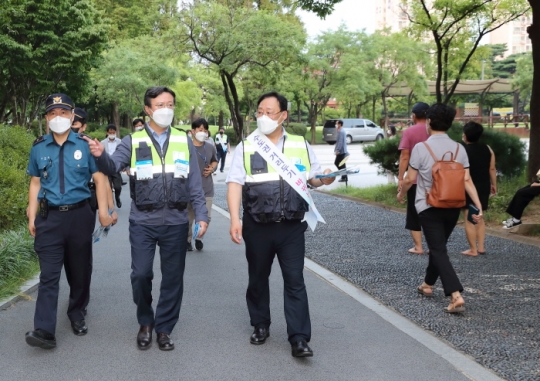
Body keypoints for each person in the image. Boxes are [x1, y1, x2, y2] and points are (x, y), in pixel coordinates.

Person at [84, 86, 208, 351]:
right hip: (143, 221)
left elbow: (195, 182)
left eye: (170, 104)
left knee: (173, 278)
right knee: (141, 275)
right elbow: (112, 168)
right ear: (148, 110)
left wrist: (202, 214)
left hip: (175, 221)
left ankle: (164, 328)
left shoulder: (183, 140)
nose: (167, 110)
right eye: (160, 105)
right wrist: (99, 155)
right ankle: (145, 321)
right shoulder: (132, 140)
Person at [226, 91, 335, 357]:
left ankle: (299, 338)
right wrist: (234, 218)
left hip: (292, 226)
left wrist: (326, 179)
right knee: (258, 278)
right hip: (257, 224)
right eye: (260, 111)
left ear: (283, 115)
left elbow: (313, 178)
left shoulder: (300, 144)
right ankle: (260, 324)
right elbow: (234, 183)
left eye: (270, 112)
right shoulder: (248, 145)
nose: (263, 116)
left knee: (295, 280)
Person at [25, 94, 114, 349]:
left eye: (63, 112)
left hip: (79, 215)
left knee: (79, 270)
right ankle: (44, 330)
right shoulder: (39, 147)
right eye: (52, 113)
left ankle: (76, 313)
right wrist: (32, 214)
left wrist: (106, 211)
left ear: (72, 116)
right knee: (49, 275)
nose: (58, 118)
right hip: (49, 218)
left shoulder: (85, 145)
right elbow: (35, 182)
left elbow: (100, 180)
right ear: (46, 118)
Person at [397, 103, 483, 314]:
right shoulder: (458, 148)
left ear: (429, 122)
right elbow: (467, 179)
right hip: (453, 205)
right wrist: (478, 205)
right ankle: (427, 284)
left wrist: (400, 193)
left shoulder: (421, 148)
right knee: (439, 247)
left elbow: (411, 178)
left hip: (428, 206)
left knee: (438, 248)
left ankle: (455, 295)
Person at [70, 108, 118, 314]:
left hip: (85, 202)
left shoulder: (89, 145)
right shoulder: (49, 143)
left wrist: (109, 208)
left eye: (76, 125)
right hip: (57, 209)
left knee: (81, 255)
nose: (72, 128)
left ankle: (79, 298)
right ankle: (76, 291)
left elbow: (103, 180)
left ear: (84, 127)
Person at [398, 102, 430, 254]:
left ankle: (418, 247)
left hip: (415, 180)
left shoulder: (409, 132)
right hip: (435, 180)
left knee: (414, 212)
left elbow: (405, 157)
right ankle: (433, 245)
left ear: (414, 116)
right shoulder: (436, 131)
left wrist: (400, 177)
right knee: (432, 213)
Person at [461, 122, 496, 256]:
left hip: (468, 186)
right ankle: (481, 247)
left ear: (465, 135)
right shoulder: (488, 149)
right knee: (479, 216)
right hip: (484, 185)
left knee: (469, 217)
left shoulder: (463, 151)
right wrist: (494, 184)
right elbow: (492, 168)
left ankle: (473, 249)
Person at [186, 118, 218, 251]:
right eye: (200, 130)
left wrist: (212, 168)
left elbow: (215, 161)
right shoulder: (186, 147)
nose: (203, 133)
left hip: (207, 188)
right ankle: (187, 240)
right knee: (189, 218)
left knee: (207, 217)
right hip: (189, 189)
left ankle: (199, 238)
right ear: (193, 131)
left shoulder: (210, 147)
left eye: (205, 130)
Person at [100, 124, 124, 208]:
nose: (112, 134)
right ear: (107, 133)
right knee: (108, 187)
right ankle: (111, 203)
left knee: (118, 187)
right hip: (106, 166)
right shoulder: (102, 143)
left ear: (116, 132)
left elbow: (123, 154)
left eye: (113, 132)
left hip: (116, 166)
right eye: (110, 132)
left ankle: (117, 197)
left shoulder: (120, 142)